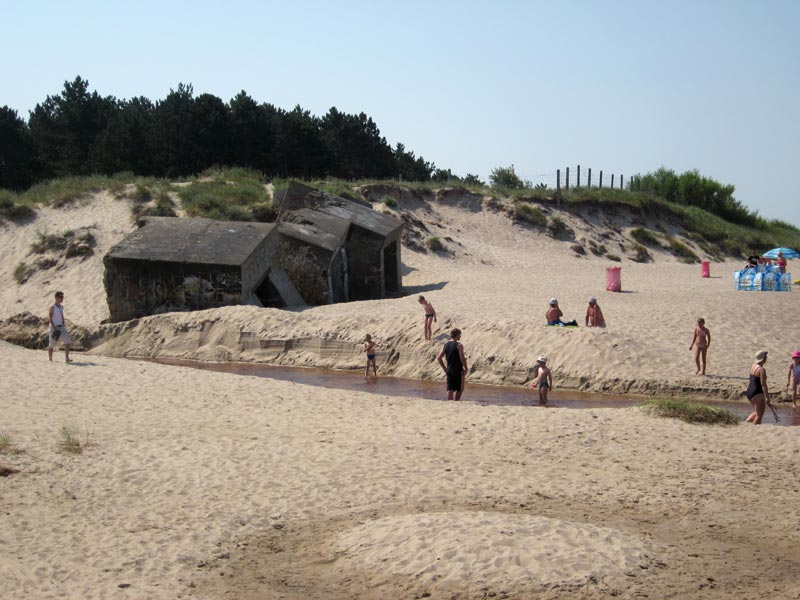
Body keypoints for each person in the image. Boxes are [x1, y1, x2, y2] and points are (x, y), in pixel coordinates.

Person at [436, 328, 467, 401]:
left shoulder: (446, 345)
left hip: (449, 369)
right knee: (460, 389)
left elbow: (439, 358)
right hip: (458, 369)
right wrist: (466, 368)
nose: (460, 336)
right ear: (456, 335)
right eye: (459, 335)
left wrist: (444, 368)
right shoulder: (459, 345)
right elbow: (462, 358)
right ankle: (456, 402)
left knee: (450, 388)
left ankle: (449, 403)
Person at [745, 350, 771, 425]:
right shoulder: (762, 370)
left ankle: (746, 423)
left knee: (756, 412)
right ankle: (755, 429)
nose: (766, 358)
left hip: (750, 392)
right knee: (759, 415)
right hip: (757, 393)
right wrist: (767, 397)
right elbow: (763, 384)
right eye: (765, 357)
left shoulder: (753, 366)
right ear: (763, 359)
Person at [48, 291, 72, 363]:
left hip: (61, 326)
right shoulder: (52, 307)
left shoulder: (61, 307)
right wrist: (54, 328)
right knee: (52, 344)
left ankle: (67, 358)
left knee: (67, 341)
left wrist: (63, 321)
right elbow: (50, 318)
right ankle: (50, 359)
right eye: (60, 297)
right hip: (54, 327)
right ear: (56, 297)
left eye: (62, 297)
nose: (62, 298)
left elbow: (61, 315)